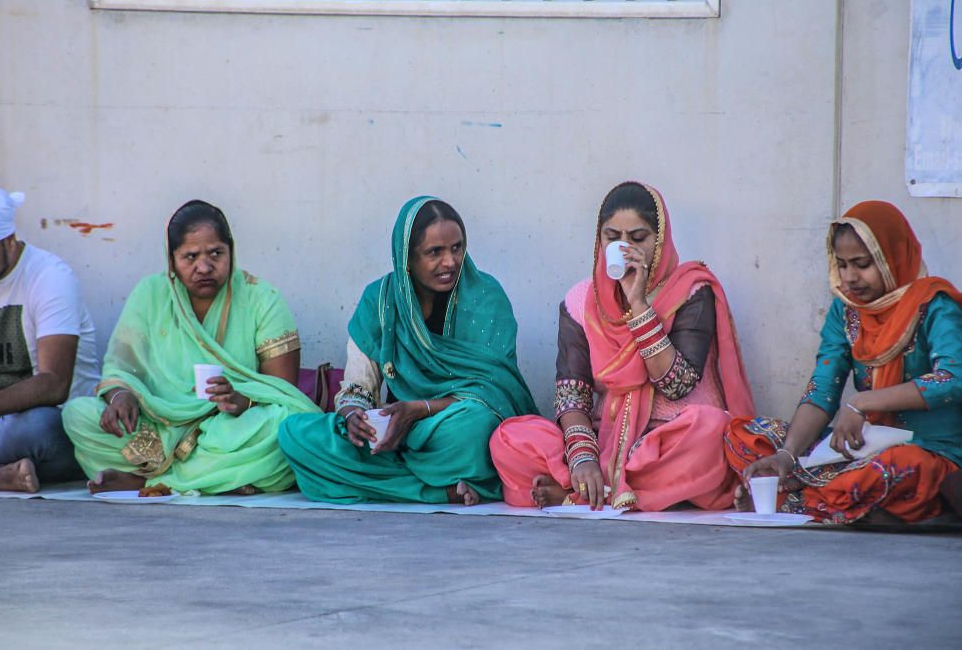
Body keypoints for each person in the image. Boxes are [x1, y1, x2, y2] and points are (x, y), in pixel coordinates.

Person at [490, 181, 754, 511]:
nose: (624, 247)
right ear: (599, 241)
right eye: (612, 237)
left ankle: (582, 495)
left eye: (638, 238)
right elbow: (572, 392)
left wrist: (640, 306)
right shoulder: (580, 301)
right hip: (604, 437)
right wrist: (582, 456)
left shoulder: (690, 290)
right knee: (508, 438)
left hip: (666, 438)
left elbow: (676, 384)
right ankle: (597, 484)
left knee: (712, 434)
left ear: (659, 241)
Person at [278, 196, 537, 505]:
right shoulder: (381, 301)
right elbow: (357, 387)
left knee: (475, 426)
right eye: (434, 252)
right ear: (407, 260)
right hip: (394, 435)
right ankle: (440, 490)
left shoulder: (486, 298)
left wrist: (418, 410)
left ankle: (397, 483)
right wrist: (353, 416)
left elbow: (494, 394)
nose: (450, 262)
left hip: (448, 426)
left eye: (457, 248)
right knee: (294, 434)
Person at [726, 200, 962, 524]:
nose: (850, 277)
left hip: (928, 450)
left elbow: (953, 379)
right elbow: (823, 389)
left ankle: (803, 497)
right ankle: (814, 490)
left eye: (862, 264)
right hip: (861, 444)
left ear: (892, 257)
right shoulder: (846, 311)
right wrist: (786, 455)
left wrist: (862, 403)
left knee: (893, 469)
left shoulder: (935, 306)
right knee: (743, 435)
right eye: (843, 264)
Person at [62, 200, 319, 495]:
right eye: (191, 256)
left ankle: (147, 481)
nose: (205, 266)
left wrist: (241, 401)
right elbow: (120, 367)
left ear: (231, 251)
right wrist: (121, 396)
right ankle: (218, 478)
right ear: (171, 260)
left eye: (216, 254)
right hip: (159, 425)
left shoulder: (262, 299)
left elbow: (283, 395)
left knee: (285, 427)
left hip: (227, 427)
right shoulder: (151, 294)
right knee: (78, 414)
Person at [0, 185, 98, 492]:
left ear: (9, 241)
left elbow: (54, 384)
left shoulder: (50, 277)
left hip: (51, 425)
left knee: (35, 430)